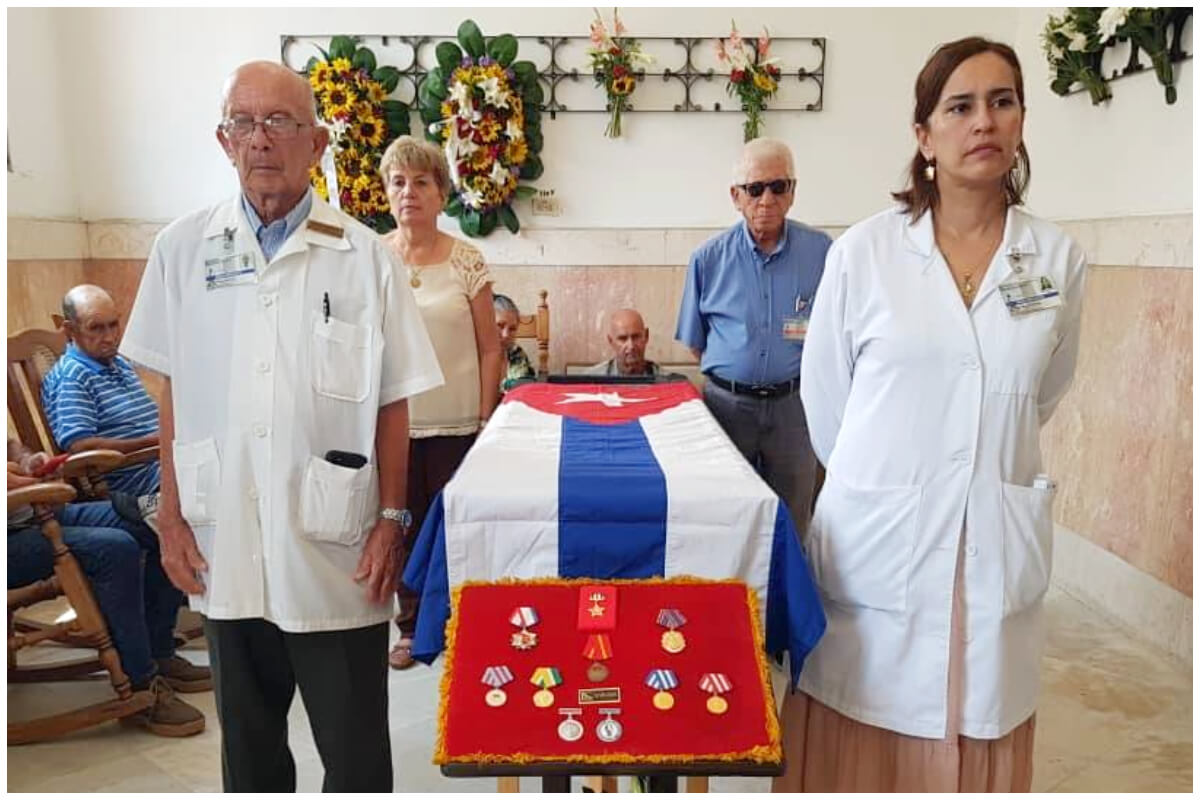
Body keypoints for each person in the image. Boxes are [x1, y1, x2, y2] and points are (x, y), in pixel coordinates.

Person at [119, 61, 443, 792]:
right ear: (223, 140)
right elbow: (168, 392)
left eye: (281, 123)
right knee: (252, 753)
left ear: (318, 141)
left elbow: (394, 402)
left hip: (339, 548)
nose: (260, 140)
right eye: (244, 122)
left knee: (356, 753)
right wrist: (169, 514)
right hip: (222, 534)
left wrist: (393, 518)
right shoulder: (182, 249)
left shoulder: (365, 258)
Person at [777, 37, 1087, 793]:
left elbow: (1042, 391)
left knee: (978, 717)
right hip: (881, 543)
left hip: (992, 542)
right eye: (960, 106)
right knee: (867, 724)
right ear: (924, 136)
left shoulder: (1055, 259)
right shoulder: (865, 254)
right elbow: (828, 406)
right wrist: (890, 473)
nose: (984, 121)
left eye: (1002, 101)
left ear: (1020, 123)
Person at [379, 135, 502, 670]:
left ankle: (458, 621)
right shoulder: (372, 258)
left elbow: (490, 347)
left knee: (452, 526)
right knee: (401, 526)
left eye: (421, 183)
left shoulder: (467, 259)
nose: (409, 193)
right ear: (387, 193)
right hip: (394, 426)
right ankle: (409, 628)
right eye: (399, 182)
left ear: (441, 193)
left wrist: (485, 419)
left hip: (457, 425)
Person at [674, 138, 831, 534]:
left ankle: (785, 597)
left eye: (778, 187)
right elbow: (696, 342)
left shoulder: (823, 253)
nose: (767, 199)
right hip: (728, 409)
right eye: (755, 189)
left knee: (793, 520)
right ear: (735, 196)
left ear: (792, 193)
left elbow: (835, 333)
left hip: (795, 410)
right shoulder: (707, 259)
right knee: (725, 519)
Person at [7, 439, 209, 737]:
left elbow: (11, 447)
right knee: (114, 548)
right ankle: (142, 684)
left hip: (35, 512)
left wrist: (27, 462)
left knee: (155, 523)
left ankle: (158, 651)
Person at [42, 284, 161, 499]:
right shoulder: (73, 376)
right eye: (96, 328)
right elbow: (81, 447)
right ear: (70, 331)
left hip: (161, 463)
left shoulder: (117, 363)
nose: (109, 337)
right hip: (136, 483)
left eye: (113, 325)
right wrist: (154, 442)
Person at [585, 308, 662, 377]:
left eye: (636, 337)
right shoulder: (592, 380)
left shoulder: (667, 382)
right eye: (623, 339)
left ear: (646, 336)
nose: (631, 346)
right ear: (611, 341)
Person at [493, 293, 535, 393]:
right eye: (500, 325)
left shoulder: (516, 353)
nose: (506, 335)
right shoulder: (472, 357)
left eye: (512, 329)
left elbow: (524, 388)